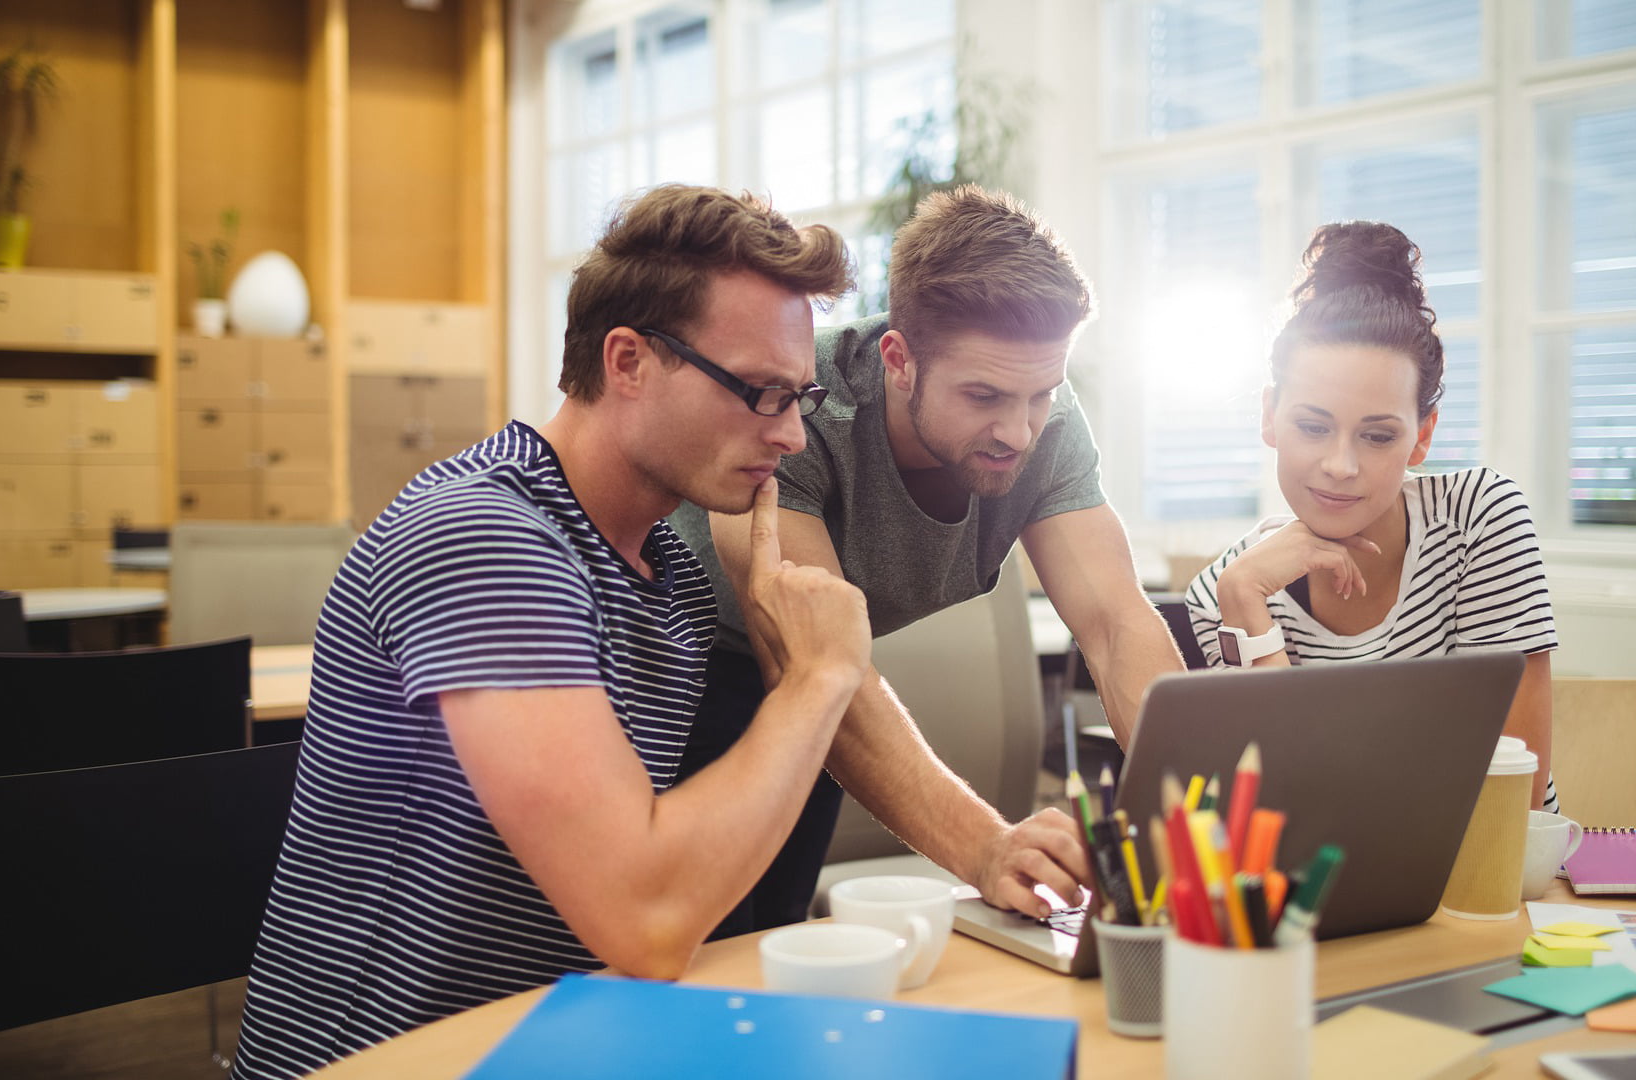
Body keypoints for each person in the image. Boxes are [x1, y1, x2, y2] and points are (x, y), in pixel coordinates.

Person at [231, 185, 871, 1078]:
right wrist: (819, 677)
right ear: (628, 361)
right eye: (763, 393)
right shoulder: (484, 537)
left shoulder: (673, 581)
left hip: (551, 1045)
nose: (794, 437)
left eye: (797, 397)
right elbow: (646, 921)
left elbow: (670, 874)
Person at [669, 185, 1186, 936]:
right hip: (684, 680)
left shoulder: (1045, 420)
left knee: (779, 944)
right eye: (983, 394)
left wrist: (1202, 820)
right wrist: (985, 847)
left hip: (820, 692)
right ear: (899, 360)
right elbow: (809, 659)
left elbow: (1113, 624)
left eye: (1040, 393)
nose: (1018, 429)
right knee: (698, 961)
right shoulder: (795, 406)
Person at [1182, 221, 1559, 812]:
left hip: (1490, 884)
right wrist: (1245, 596)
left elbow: (1517, 796)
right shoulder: (1225, 592)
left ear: (1422, 437)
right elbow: (1278, 811)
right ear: (1269, 416)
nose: (1340, 465)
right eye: (1312, 426)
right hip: (1326, 897)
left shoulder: (1477, 518)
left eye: (1378, 436)